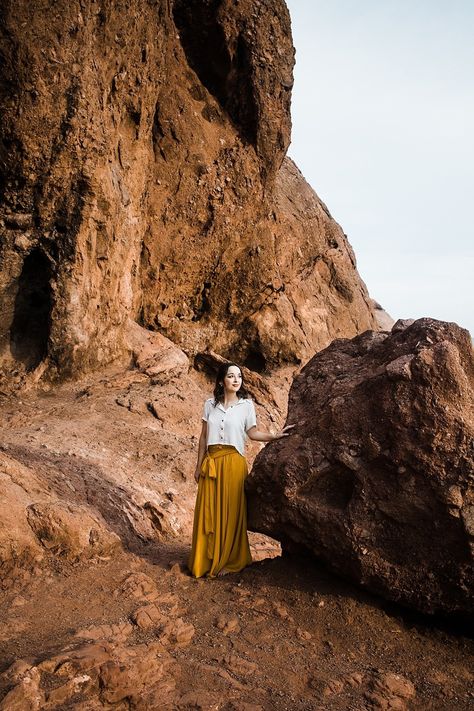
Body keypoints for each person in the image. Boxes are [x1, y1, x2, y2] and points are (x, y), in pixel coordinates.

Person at [188, 362, 295, 578]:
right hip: (212, 463)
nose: (236, 380)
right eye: (231, 376)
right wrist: (199, 465)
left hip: (234, 463)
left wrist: (274, 436)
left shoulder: (246, 406)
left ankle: (230, 559)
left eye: (239, 376)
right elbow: (202, 437)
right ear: (221, 381)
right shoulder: (209, 405)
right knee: (209, 511)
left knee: (231, 513)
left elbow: (252, 433)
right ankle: (206, 560)